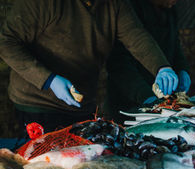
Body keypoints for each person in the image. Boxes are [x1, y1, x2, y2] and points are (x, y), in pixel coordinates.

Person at [0, 0, 179, 136]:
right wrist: (49, 79)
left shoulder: (114, 4)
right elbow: (6, 42)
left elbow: (136, 37)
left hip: (82, 104)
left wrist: (162, 67)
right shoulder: (42, 4)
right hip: (38, 104)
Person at [105, 0, 191, 123]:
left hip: (162, 102)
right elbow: (119, 64)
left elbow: (175, 46)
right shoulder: (130, 9)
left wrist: (182, 69)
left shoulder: (170, 11)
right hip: (129, 103)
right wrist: (147, 97)